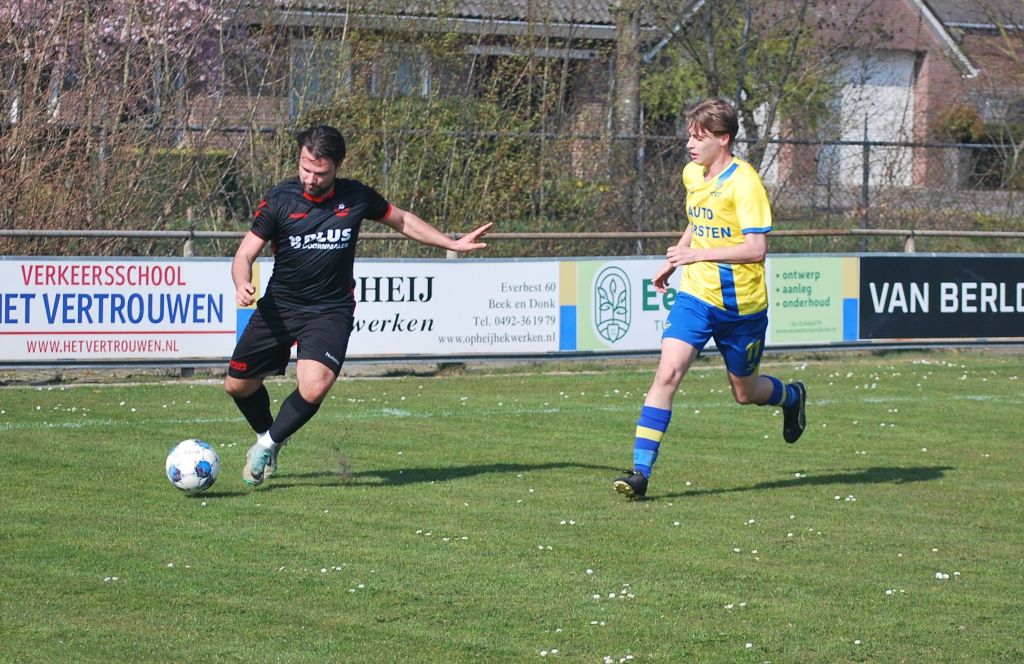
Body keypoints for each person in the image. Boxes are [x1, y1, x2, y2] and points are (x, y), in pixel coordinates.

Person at [225, 125, 491, 487]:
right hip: (280, 307)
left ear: (337, 167)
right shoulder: (279, 200)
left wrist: (452, 243)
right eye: (305, 168)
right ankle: (268, 437)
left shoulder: (356, 196)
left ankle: (268, 445)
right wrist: (242, 282)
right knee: (237, 386)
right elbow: (244, 254)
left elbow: (402, 220)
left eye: (320, 173)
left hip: (330, 310)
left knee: (315, 386)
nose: (310, 178)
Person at [613, 97, 806, 499]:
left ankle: (791, 396)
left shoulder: (745, 183)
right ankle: (640, 473)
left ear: (724, 139)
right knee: (667, 374)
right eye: (689, 135)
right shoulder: (692, 174)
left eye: (699, 137)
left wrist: (696, 255)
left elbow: (756, 249)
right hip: (696, 296)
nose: (690, 144)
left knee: (745, 392)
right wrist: (675, 259)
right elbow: (697, 219)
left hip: (742, 306)